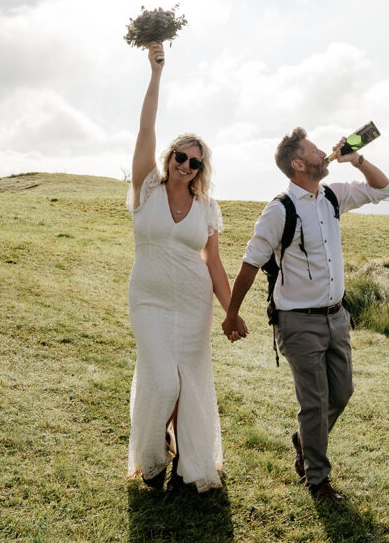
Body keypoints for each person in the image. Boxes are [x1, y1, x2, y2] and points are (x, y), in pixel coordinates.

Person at [221, 128, 389, 501]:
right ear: (299, 164)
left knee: (342, 392)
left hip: (336, 316)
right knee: (314, 401)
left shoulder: (332, 196)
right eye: (315, 150)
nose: (323, 152)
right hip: (297, 321)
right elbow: (250, 264)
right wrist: (232, 314)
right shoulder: (279, 210)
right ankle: (317, 479)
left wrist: (357, 159)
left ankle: (304, 438)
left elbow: (384, 190)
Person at [125, 41, 231, 492]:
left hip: (193, 305)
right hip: (148, 299)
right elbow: (145, 127)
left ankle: (189, 461)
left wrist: (232, 310)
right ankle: (152, 458)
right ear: (169, 158)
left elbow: (215, 264)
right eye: (180, 157)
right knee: (162, 379)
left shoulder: (207, 207)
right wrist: (155, 74)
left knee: (188, 383)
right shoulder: (146, 188)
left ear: (201, 168)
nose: (186, 165)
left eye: (195, 161)